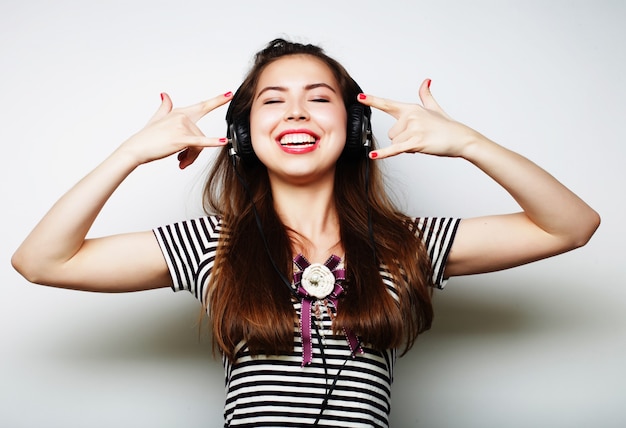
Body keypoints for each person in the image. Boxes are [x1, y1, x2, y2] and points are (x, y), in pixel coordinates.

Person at [11, 38, 600, 427]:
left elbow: (572, 226)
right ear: (243, 134)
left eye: (319, 99)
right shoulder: (212, 244)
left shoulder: (406, 243)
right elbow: (42, 261)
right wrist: (130, 153)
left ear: (356, 126)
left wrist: (470, 143)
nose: (296, 113)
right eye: (273, 101)